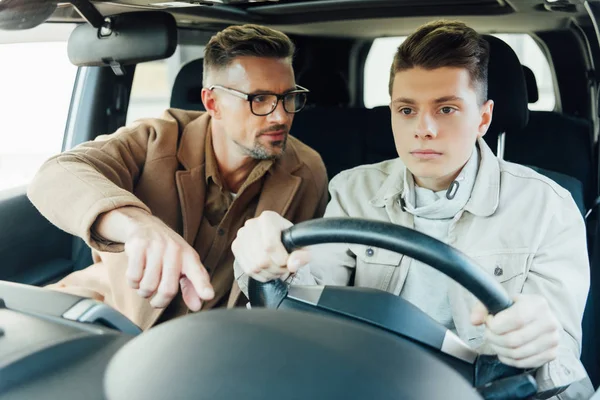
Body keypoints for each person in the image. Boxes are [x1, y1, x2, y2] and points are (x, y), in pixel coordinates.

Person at [232, 20, 593, 398]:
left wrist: (536, 343)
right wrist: (268, 257)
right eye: (406, 110)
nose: (424, 129)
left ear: (483, 118)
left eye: (447, 109)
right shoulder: (355, 189)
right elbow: (310, 290)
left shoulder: (547, 206)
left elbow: (561, 351)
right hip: (374, 383)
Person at [27, 24, 328, 330]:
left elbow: (302, 288)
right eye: (260, 99)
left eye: (288, 97)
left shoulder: (307, 171)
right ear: (212, 103)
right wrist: (139, 227)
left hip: (220, 344)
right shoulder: (156, 139)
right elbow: (55, 175)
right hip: (116, 323)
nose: (281, 116)